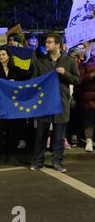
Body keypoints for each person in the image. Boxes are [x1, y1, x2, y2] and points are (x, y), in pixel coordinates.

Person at [30, 34, 81, 173]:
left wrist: (65, 73)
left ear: (58, 45)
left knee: (59, 136)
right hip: (44, 103)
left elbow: (77, 80)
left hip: (61, 102)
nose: (46, 44)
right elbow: (34, 81)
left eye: (50, 42)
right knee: (41, 134)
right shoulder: (40, 61)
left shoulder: (69, 61)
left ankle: (57, 162)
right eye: (46, 42)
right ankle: (38, 161)